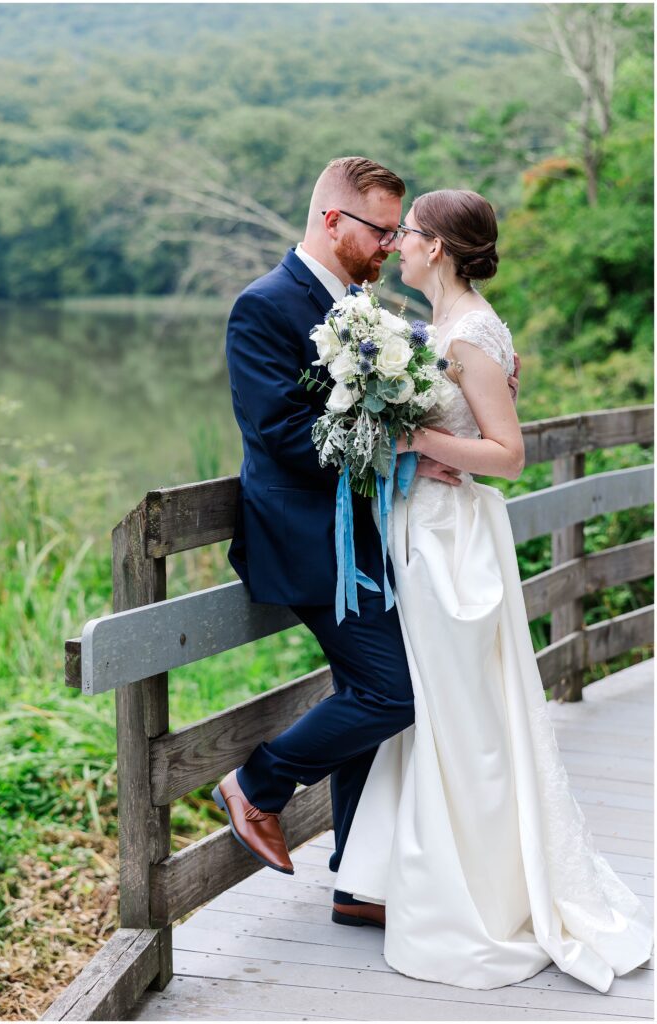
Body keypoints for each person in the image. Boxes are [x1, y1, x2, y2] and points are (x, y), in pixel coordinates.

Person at [334, 189, 653, 992]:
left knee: (465, 718)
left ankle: (473, 898)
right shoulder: (436, 329)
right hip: (424, 531)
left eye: (407, 234)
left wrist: (415, 436)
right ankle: (413, 877)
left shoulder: (470, 334)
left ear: (437, 247)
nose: (397, 244)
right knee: (441, 712)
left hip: (453, 546)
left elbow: (507, 455)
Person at [217, 157, 517, 927]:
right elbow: (282, 437)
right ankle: (258, 785)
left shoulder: (364, 305)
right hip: (310, 542)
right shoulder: (264, 307)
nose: (389, 244)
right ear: (331, 221)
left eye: (396, 232)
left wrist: (451, 414)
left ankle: (358, 878)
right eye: (379, 230)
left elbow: (437, 373)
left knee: (373, 697)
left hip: (384, 538)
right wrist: (407, 444)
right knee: (391, 693)